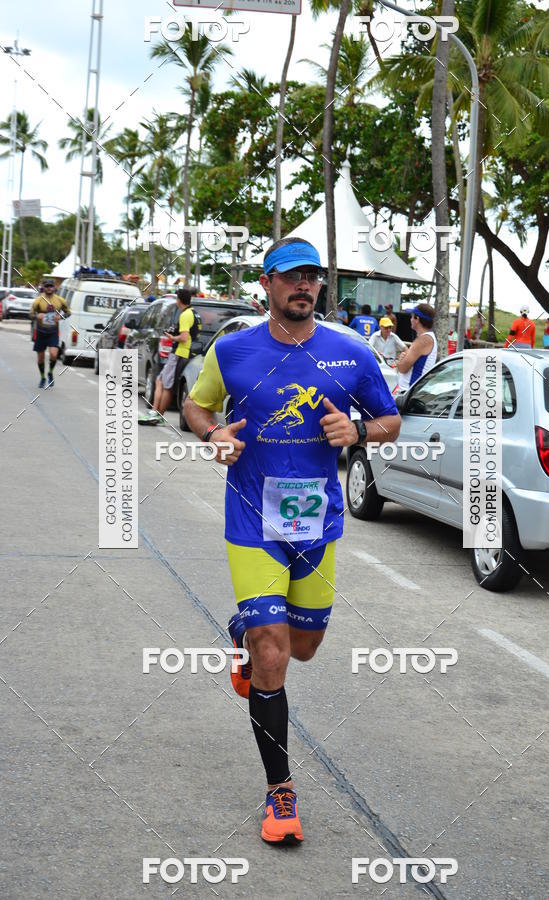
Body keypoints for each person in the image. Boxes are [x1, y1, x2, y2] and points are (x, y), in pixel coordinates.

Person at [183, 237, 400, 845]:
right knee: (272, 653)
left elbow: (390, 421)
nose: (302, 286)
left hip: (316, 521)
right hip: (253, 520)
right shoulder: (231, 350)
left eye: (311, 278)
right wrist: (213, 434)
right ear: (267, 285)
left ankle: (242, 632)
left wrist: (357, 429)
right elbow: (194, 409)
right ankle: (280, 791)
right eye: (290, 277)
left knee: (303, 647)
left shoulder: (351, 352)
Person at [139, 289, 198, 424]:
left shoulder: (185, 315)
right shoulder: (194, 313)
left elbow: (184, 337)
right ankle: (156, 412)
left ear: (179, 300)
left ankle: (157, 415)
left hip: (179, 353)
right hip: (183, 353)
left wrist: (172, 337)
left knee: (166, 384)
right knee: (161, 381)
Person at [30, 280, 71, 388]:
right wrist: (36, 316)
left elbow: (68, 312)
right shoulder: (38, 300)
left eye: (51, 286)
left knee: (53, 354)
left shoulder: (60, 300)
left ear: (54, 288)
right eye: (47, 286)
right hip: (41, 331)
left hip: (53, 331)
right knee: (41, 358)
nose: (49, 288)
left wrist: (61, 317)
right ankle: (43, 377)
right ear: (43, 287)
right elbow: (31, 314)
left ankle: (50, 373)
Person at [397, 304, 437, 391]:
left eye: (412, 317)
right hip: (414, 391)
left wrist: (400, 361)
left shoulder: (423, 340)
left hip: (409, 392)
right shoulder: (428, 338)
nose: (410, 320)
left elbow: (402, 368)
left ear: (417, 319)